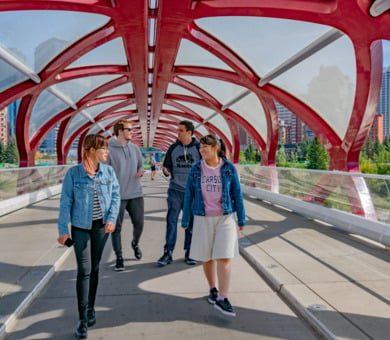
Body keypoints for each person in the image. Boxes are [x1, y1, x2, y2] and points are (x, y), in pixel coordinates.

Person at [57, 134, 120, 339]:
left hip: (101, 227)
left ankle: (91, 308)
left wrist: (111, 218)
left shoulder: (108, 172)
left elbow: (116, 196)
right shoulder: (74, 174)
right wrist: (62, 230)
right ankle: (83, 319)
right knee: (83, 270)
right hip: (80, 228)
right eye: (103, 148)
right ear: (91, 149)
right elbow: (65, 202)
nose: (106, 152)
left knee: (94, 268)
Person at [181, 134, 246, 317]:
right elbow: (189, 196)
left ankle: (223, 298)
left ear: (215, 148)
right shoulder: (196, 169)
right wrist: (185, 219)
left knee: (224, 257)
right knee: (207, 257)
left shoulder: (228, 169)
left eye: (205, 148)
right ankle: (213, 289)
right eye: (200, 148)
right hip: (202, 217)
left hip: (225, 217)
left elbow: (237, 194)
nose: (201, 151)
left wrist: (241, 218)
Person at [157, 120, 201, 266]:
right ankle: (167, 252)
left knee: (191, 223)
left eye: (181, 130)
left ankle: (190, 252)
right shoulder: (173, 148)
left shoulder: (199, 148)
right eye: (178, 130)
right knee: (171, 221)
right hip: (175, 191)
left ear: (189, 132)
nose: (178, 133)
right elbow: (167, 166)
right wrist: (166, 171)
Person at [107, 119, 145, 271]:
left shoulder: (135, 148)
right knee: (116, 228)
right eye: (129, 129)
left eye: (131, 129)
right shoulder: (108, 149)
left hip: (136, 193)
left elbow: (141, 164)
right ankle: (119, 257)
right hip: (117, 196)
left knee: (139, 224)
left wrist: (141, 172)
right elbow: (105, 172)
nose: (132, 132)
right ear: (120, 131)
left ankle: (135, 243)